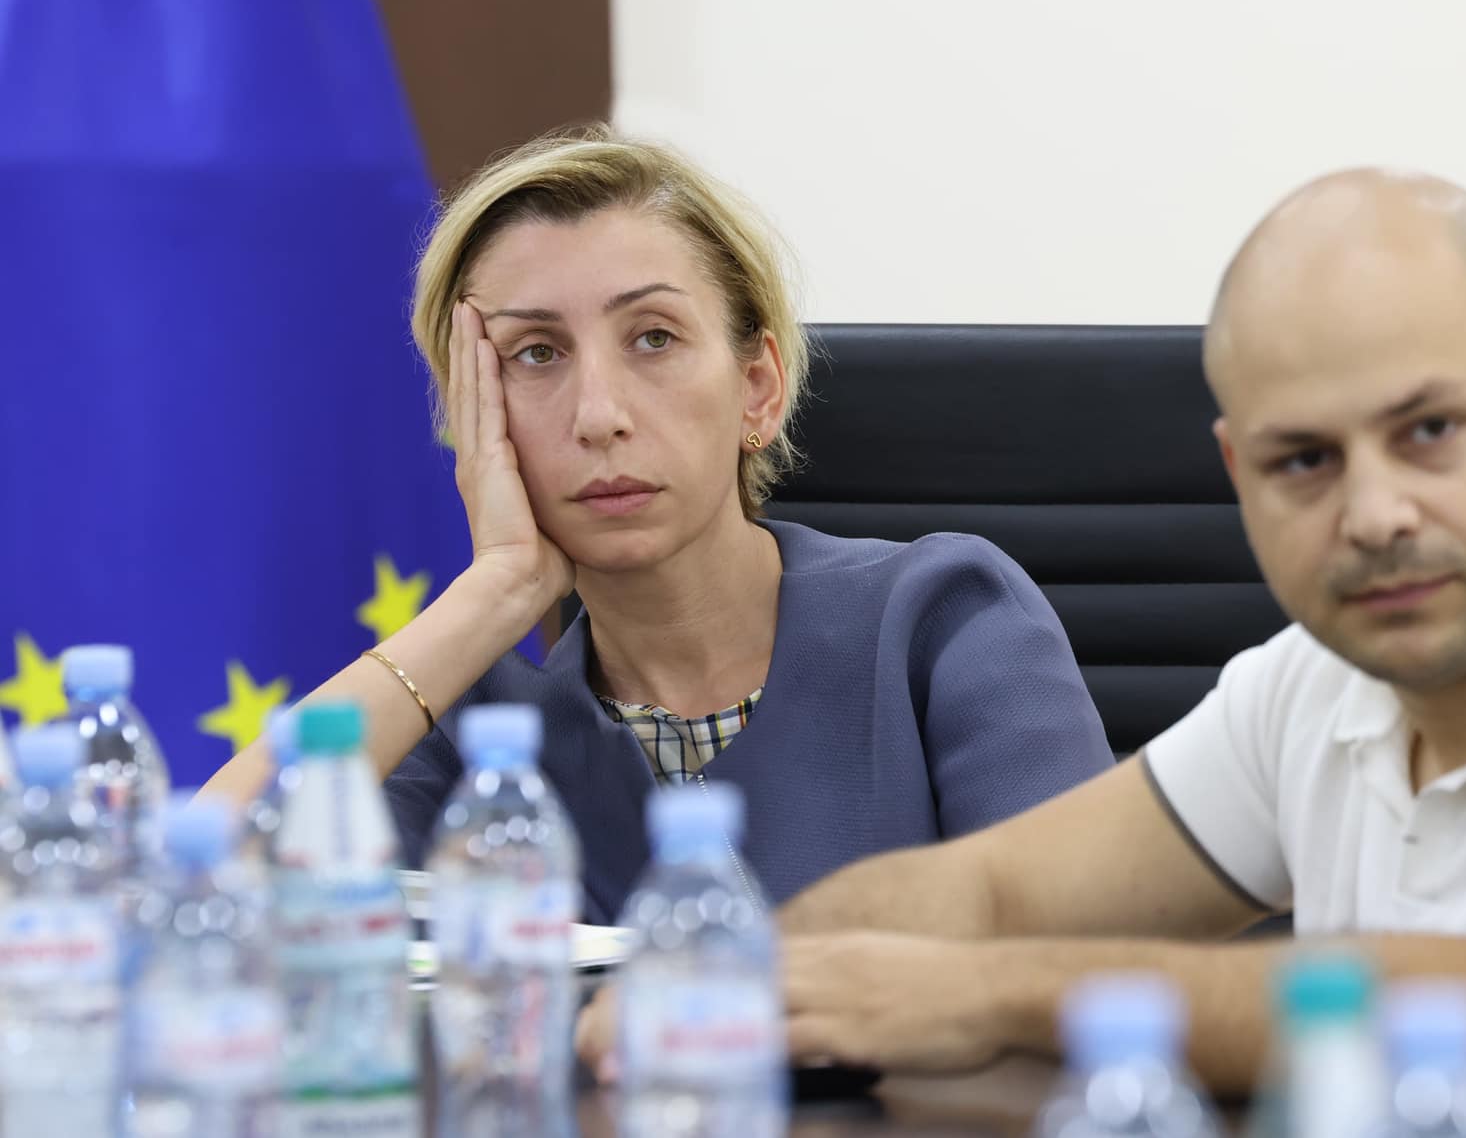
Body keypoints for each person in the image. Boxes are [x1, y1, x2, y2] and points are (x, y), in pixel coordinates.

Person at [581, 169, 1466, 1134]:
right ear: (1238, 475)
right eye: (1303, 461)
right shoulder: (1324, 683)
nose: (1375, 512)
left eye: (1430, 431)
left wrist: (979, 993)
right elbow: (996, 888)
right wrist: (730, 973)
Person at [203, 128, 1112, 921]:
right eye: (535, 354)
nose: (599, 414)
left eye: (653, 338)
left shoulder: (944, 619)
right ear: (479, 421)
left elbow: (1077, 955)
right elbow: (194, 889)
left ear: (759, 389)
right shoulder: (476, 724)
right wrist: (495, 591)